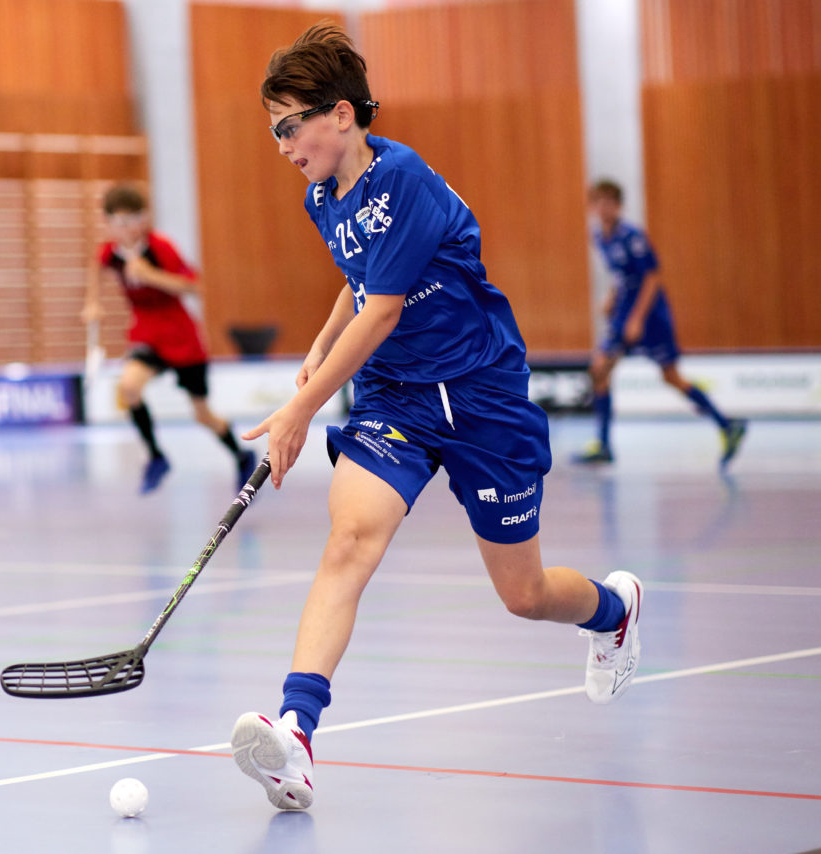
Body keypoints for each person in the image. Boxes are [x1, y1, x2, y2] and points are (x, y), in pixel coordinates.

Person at [229, 24, 642, 812]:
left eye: (289, 127)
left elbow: (384, 308)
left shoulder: (404, 179)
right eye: (273, 132)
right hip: (399, 399)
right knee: (349, 539)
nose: (281, 146)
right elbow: (358, 278)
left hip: (483, 395)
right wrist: (321, 347)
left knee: (524, 594)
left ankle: (616, 610)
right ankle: (296, 735)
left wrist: (298, 412)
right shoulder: (322, 197)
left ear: (341, 114)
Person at [83, 183, 257, 493]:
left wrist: (150, 276)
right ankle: (156, 457)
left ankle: (241, 455)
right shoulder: (110, 253)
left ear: (144, 218)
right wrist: (92, 302)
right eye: (119, 222)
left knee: (202, 415)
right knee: (129, 387)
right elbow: (96, 266)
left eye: (134, 219)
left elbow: (194, 286)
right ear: (108, 223)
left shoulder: (160, 247)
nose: (127, 228)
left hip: (181, 336)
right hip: (146, 333)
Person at [577, 179, 746, 467]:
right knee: (600, 369)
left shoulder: (632, 237)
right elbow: (621, 274)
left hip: (651, 314)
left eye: (609, 203)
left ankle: (727, 425)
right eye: (598, 203)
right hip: (624, 309)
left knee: (671, 377)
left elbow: (652, 277)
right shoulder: (599, 237)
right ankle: (603, 445)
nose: (603, 208)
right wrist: (611, 297)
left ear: (619, 206)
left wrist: (637, 319)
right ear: (592, 207)